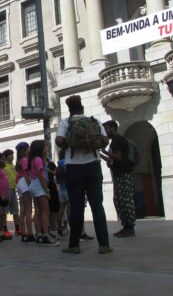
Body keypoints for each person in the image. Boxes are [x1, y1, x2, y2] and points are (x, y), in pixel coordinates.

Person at [55, 95, 112, 254]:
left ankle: (74, 245)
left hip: (74, 168)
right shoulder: (94, 121)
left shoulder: (66, 122)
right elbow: (105, 140)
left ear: (70, 110)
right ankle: (104, 244)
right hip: (93, 166)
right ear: (82, 109)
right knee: (97, 206)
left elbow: (59, 141)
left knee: (77, 207)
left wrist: (70, 142)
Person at [101, 120, 138, 237]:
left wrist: (105, 151)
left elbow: (117, 157)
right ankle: (126, 226)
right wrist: (101, 154)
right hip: (120, 174)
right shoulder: (115, 141)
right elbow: (111, 160)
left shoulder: (117, 140)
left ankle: (129, 227)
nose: (105, 132)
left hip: (123, 174)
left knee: (124, 200)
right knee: (119, 200)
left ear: (112, 128)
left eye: (106, 128)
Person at [28, 140, 58, 246]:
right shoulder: (39, 160)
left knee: (38, 211)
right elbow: (41, 176)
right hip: (39, 186)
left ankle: (39, 234)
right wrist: (47, 190)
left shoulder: (33, 159)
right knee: (45, 211)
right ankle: (45, 235)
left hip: (34, 184)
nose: (47, 149)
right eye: (45, 146)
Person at [15, 142, 36, 243]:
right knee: (28, 210)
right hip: (25, 182)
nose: (29, 150)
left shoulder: (19, 160)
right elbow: (26, 173)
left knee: (22, 210)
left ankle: (24, 234)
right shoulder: (24, 160)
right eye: (28, 148)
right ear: (24, 150)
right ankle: (30, 234)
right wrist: (30, 185)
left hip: (20, 183)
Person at [2, 149, 20, 237]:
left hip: (13, 189)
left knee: (15, 210)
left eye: (12, 155)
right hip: (7, 190)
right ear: (5, 157)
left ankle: (17, 229)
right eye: (10, 155)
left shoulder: (13, 165)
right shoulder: (3, 166)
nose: (12, 156)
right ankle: (5, 229)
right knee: (5, 211)